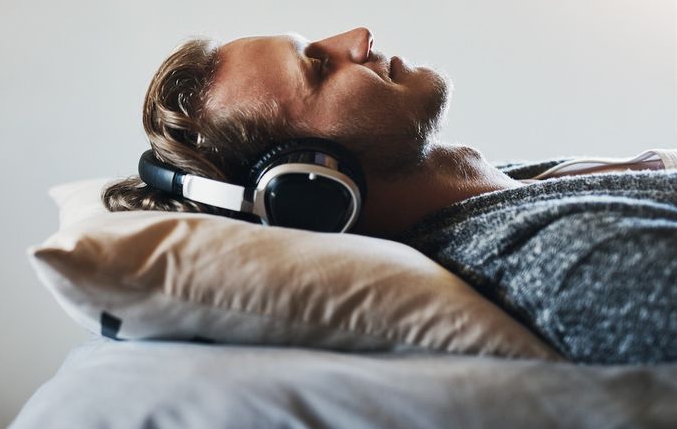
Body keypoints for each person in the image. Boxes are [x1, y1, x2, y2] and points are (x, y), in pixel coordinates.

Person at [104, 27, 677, 365]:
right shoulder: (568, 259)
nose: (358, 37)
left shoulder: (512, 187)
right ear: (309, 183)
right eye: (318, 68)